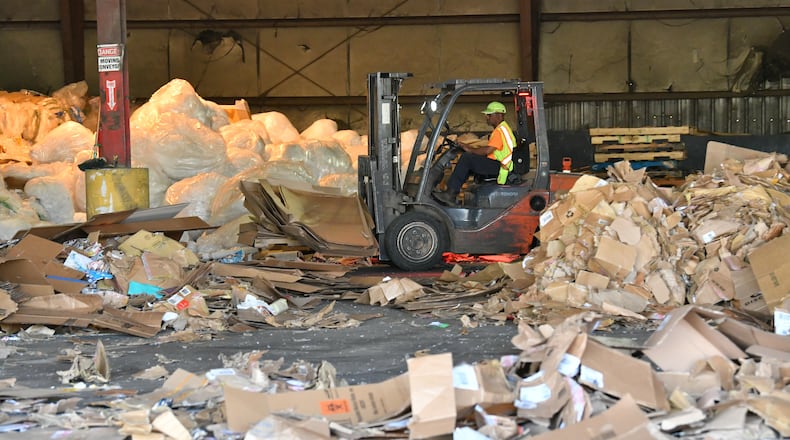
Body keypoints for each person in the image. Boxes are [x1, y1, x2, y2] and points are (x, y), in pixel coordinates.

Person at [433, 101, 516, 205]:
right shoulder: (502, 129)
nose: (487, 117)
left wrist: (470, 150)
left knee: (467, 158)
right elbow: (490, 150)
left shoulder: (500, 131)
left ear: (499, 115)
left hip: (501, 167)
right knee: (468, 159)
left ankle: (450, 194)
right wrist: (468, 147)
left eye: (489, 115)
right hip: (498, 164)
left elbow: (487, 150)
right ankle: (452, 193)